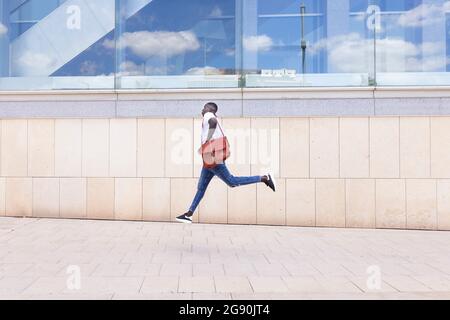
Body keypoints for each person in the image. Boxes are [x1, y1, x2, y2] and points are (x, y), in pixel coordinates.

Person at [176, 102, 276, 223]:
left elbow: (212, 121)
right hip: (210, 159)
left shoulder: (208, 115)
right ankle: (189, 214)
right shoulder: (215, 120)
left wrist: (208, 140)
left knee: (232, 181)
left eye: (204, 108)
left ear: (210, 109)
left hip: (213, 157)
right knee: (201, 188)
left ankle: (264, 178)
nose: (202, 110)